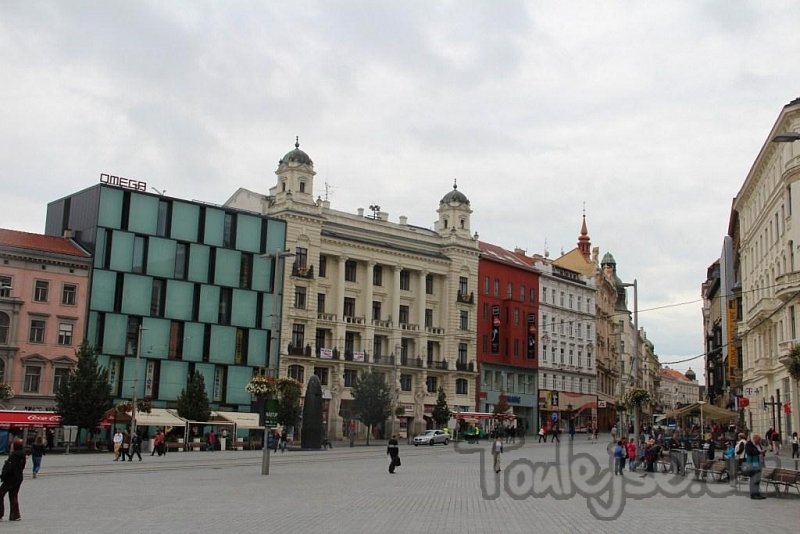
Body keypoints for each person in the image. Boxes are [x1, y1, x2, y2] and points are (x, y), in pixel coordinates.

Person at [0, 438, 26, 521]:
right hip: (18, 477)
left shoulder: (14, 456)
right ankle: (15, 515)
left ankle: (0, 514)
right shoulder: (22, 455)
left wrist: (3, 475)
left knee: (0, 494)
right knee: (13, 496)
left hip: (10, 478)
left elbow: (9, 468)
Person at [743, 433, 766, 499]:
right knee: (753, 479)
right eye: (758, 440)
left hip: (759, 463)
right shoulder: (749, 444)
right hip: (752, 464)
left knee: (757, 479)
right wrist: (759, 452)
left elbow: (759, 451)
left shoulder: (758, 444)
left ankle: (757, 493)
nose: (759, 442)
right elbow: (750, 452)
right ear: (755, 439)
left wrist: (763, 453)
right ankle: (753, 494)